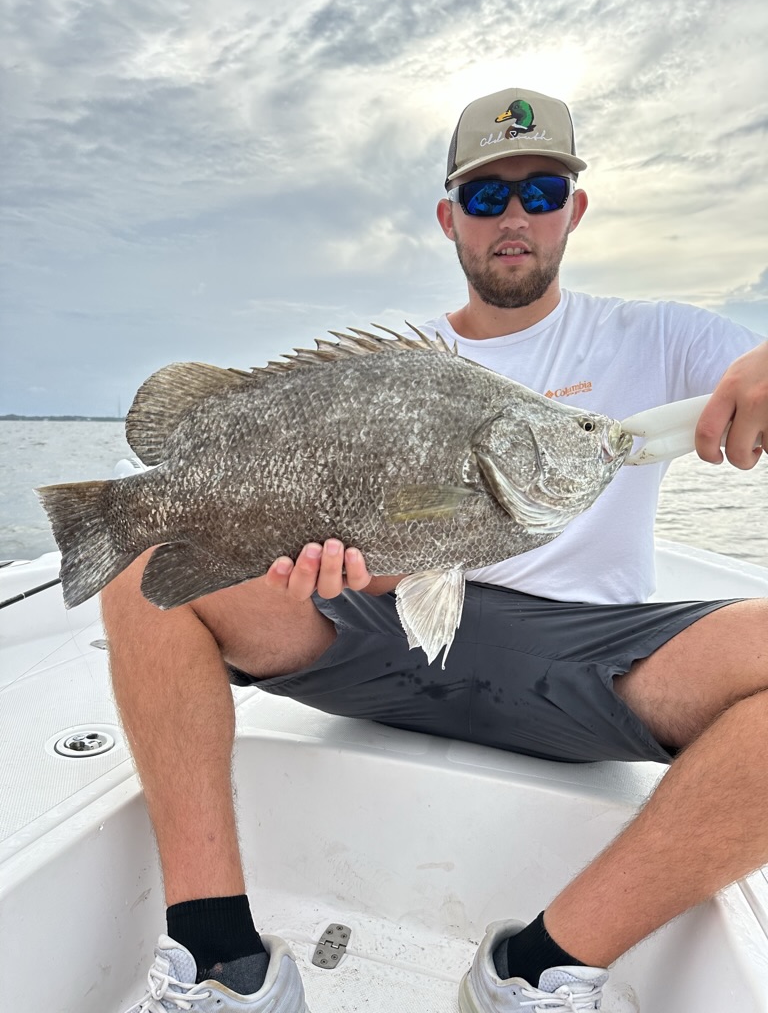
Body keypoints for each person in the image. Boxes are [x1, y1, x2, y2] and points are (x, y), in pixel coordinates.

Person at [107, 87, 768, 1013]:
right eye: (486, 195)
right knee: (140, 562)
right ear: (449, 216)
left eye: (540, 193)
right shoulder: (398, 374)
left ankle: (537, 970)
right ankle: (220, 961)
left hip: (593, 659)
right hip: (381, 629)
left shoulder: (657, 335)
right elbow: (378, 552)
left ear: (573, 210)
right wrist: (332, 563)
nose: (513, 217)